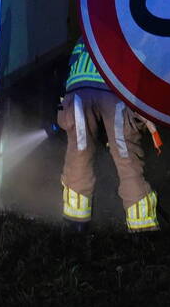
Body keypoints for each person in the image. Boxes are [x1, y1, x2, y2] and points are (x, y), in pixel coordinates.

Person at [56, 38, 160, 232]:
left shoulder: (86, 34)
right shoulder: (133, 31)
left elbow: (70, 68)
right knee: (126, 158)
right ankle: (142, 228)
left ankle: (76, 224)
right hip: (117, 92)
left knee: (79, 154)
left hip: (79, 91)